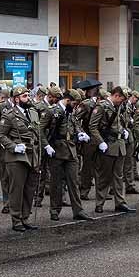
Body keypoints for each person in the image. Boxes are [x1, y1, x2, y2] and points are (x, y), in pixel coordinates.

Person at [40, 87, 92, 222]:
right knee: (56, 183)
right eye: (74, 104)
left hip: (71, 150)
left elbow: (75, 125)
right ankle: (54, 210)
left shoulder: (70, 112)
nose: (75, 107)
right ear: (68, 100)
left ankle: (78, 210)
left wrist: (81, 133)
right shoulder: (52, 111)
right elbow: (40, 130)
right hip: (57, 150)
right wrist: (46, 146)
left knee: (74, 182)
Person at [0, 86, 44, 231]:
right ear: (16, 99)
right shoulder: (9, 115)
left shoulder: (33, 113)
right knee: (17, 189)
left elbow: (38, 133)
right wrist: (13, 146)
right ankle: (16, 220)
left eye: (28, 95)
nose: (28, 98)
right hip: (17, 157)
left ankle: (25, 217)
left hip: (32, 154)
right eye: (24, 96)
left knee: (30, 189)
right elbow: (0, 135)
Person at [89, 86, 135, 214]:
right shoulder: (102, 107)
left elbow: (119, 123)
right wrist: (101, 142)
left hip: (119, 145)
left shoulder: (118, 107)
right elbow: (93, 127)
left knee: (119, 176)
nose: (122, 102)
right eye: (121, 99)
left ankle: (120, 202)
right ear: (116, 95)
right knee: (104, 176)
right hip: (108, 144)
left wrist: (123, 131)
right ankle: (99, 203)